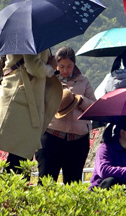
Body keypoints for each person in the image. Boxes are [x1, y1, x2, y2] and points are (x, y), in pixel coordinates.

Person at [0, 49, 62, 173]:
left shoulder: (28, 37)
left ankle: (9, 188)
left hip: (24, 100)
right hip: (20, 101)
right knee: (19, 157)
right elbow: (33, 66)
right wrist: (50, 67)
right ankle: (9, 190)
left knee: (20, 156)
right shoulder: (29, 40)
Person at [35, 46, 96, 183]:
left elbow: (93, 106)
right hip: (52, 135)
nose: (65, 70)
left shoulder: (83, 80)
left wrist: (79, 100)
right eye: (61, 66)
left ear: (74, 65)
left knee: (73, 184)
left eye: (69, 66)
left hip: (78, 140)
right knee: (46, 182)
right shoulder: (47, 79)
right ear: (56, 64)